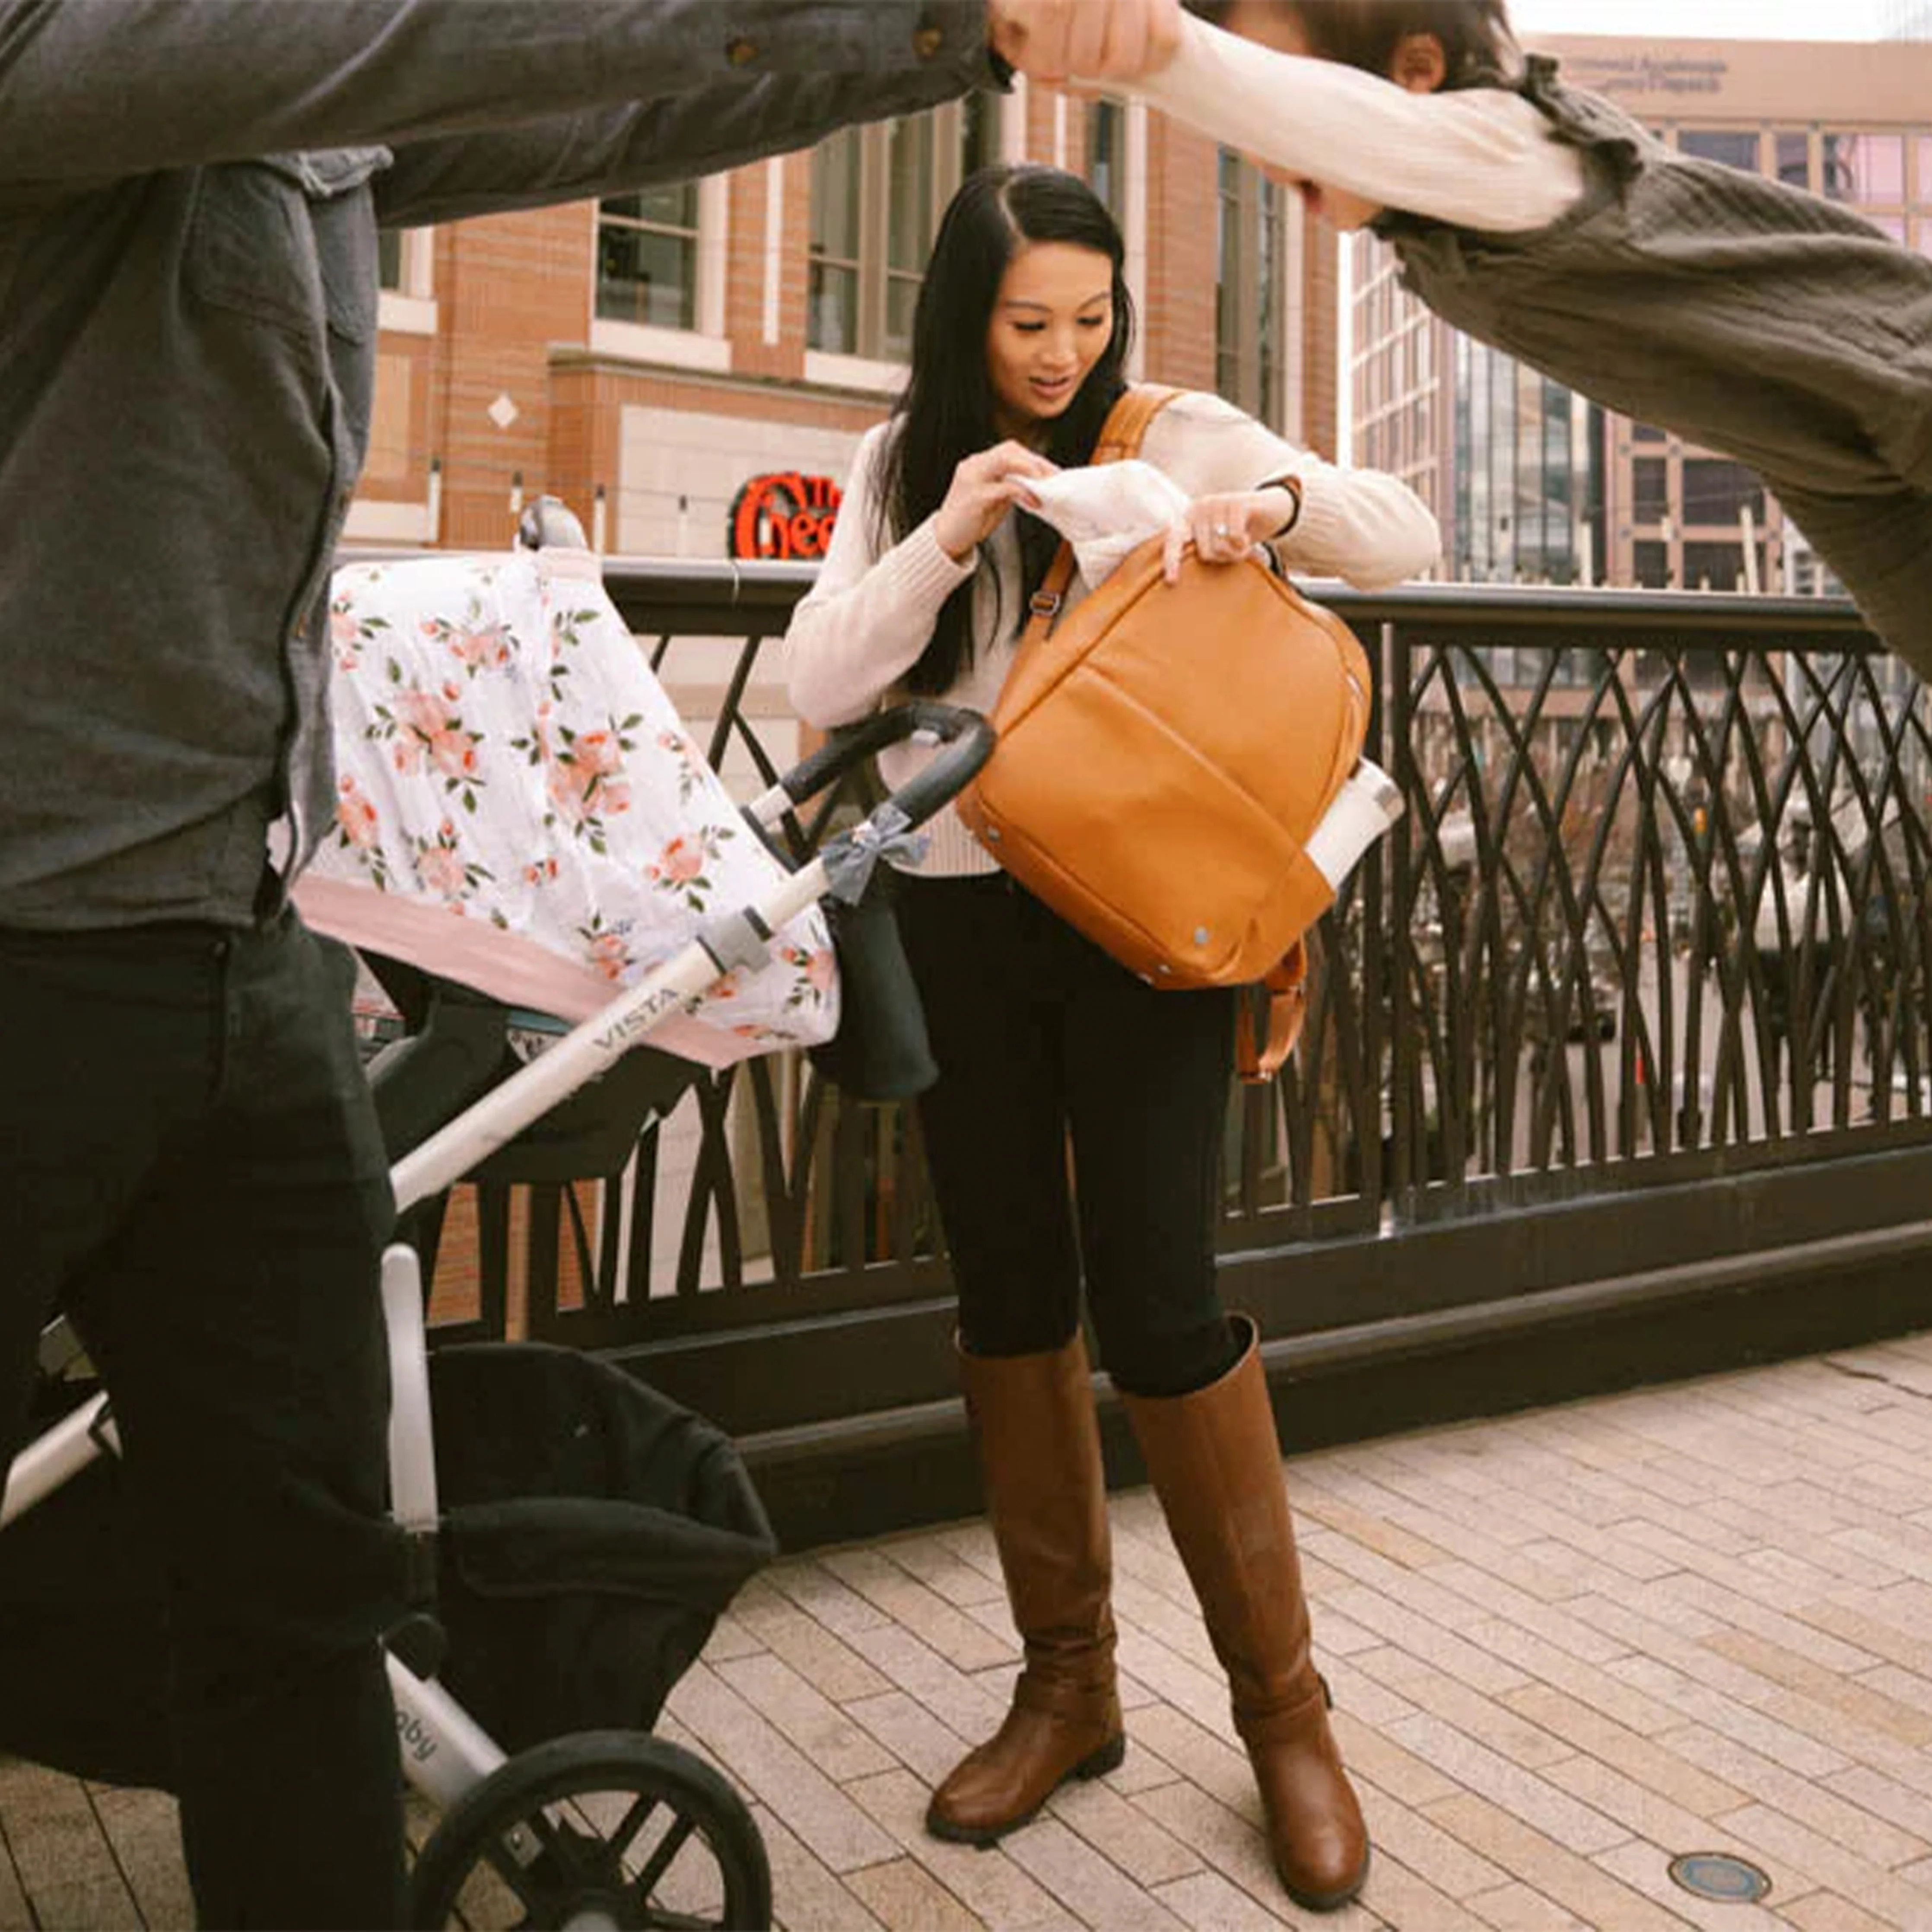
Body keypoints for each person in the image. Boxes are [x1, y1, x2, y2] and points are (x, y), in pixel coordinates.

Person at [0, 4, 1182, 1925]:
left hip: (242, 949)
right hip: (26, 959)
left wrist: (953, 34)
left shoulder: (316, 140)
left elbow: (605, 83)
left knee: (303, 1598)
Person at [782, 162, 1438, 1912]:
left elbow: (1400, 532)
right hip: (956, 912)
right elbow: (814, 683)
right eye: (1023, 326)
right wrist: (948, 522)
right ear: (960, 320)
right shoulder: (894, 459)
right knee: (1007, 1286)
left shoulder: (1168, 428)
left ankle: (1284, 1717)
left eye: (1084, 317)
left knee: (1159, 1295)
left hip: (1148, 919)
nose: (1060, 356)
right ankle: (1065, 1687)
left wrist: (1264, 509)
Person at [1128, 0, 1932, 667]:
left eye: (1284, 101)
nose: (1264, 150)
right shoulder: (1448, 231)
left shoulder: (1507, 151)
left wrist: (1107, 35)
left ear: (1416, 74)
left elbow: (1192, 67)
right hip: (1864, 471)